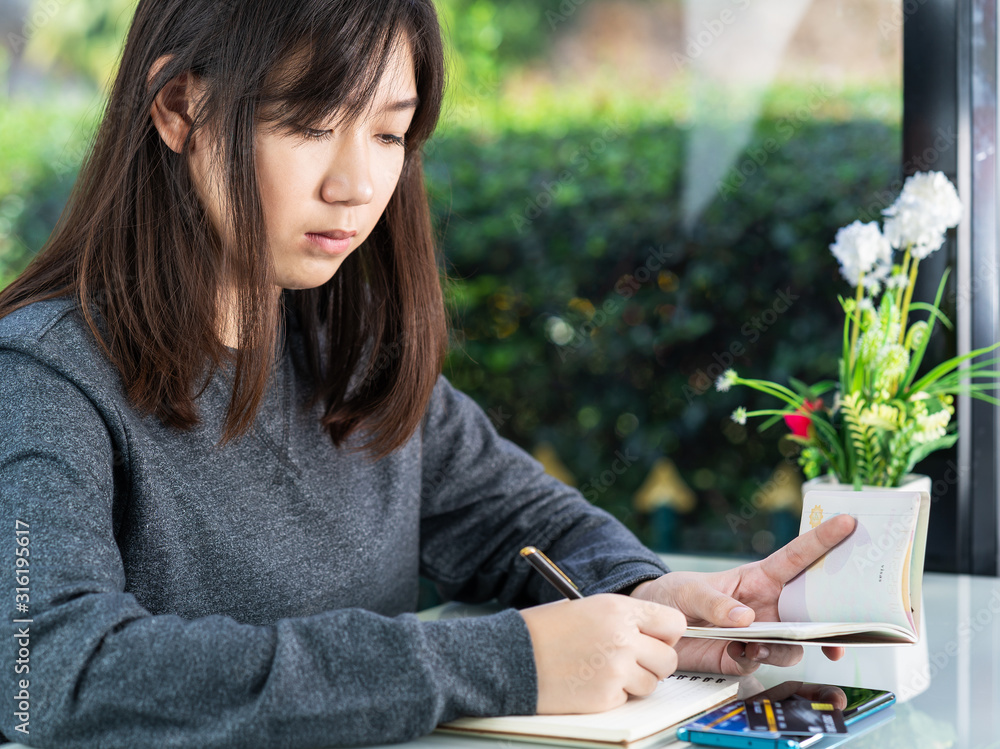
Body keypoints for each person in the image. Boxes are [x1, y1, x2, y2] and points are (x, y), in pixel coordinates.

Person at [0, 0, 854, 746]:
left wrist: (649, 600)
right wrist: (503, 661)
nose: (358, 182)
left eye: (388, 132)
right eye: (308, 121)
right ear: (180, 107)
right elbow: (51, 672)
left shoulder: (350, 348)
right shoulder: (44, 376)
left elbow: (517, 516)